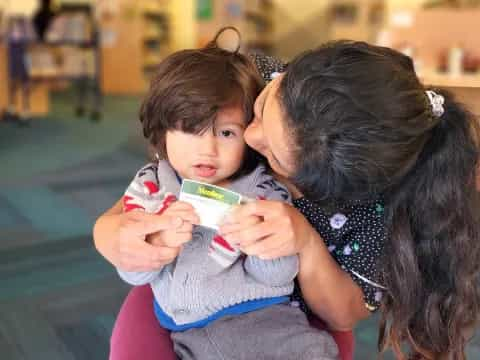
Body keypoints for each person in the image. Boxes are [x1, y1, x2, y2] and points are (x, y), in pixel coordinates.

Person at [94, 40, 480, 360]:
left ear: (326, 187)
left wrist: (304, 240)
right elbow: (159, 175)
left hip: (287, 313)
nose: (250, 138)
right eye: (259, 112)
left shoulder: (379, 207)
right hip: (184, 286)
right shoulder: (251, 79)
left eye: (275, 157)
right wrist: (112, 234)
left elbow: (342, 314)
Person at [108, 41, 339, 360]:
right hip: (189, 332)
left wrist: (259, 243)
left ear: (248, 134)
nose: (208, 149)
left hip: (264, 319)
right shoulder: (150, 187)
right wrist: (156, 244)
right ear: (162, 133)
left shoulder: (263, 192)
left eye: (226, 133)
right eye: (191, 130)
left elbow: (276, 276)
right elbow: (132, 271)